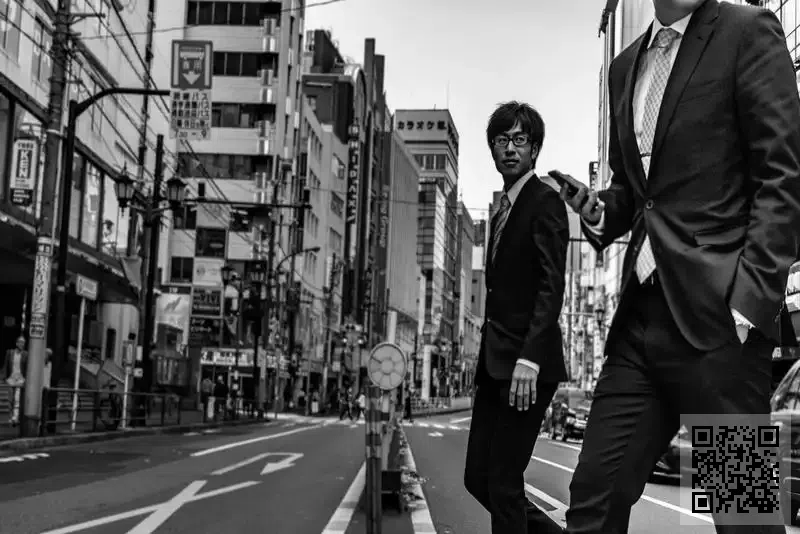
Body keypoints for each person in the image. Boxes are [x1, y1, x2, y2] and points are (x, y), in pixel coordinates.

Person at [558, 1, 800, 532]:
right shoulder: (624, 66)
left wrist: (748, 304)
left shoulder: (747, 31)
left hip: (721, 327)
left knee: (742, 519)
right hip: (640, 325)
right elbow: (634, 192)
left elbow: (782, 177)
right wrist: (599, 211)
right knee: (593, 504)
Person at [463, 101, 570, 534]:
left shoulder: (545, 202)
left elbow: (551, 286)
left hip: (526, 365)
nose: (510, 148)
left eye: (519, 139)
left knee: (503, 482)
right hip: (497, 363)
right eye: (502, 140)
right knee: (480, 478)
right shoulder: (503, 209)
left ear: (535, 148)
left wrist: (530, 357)